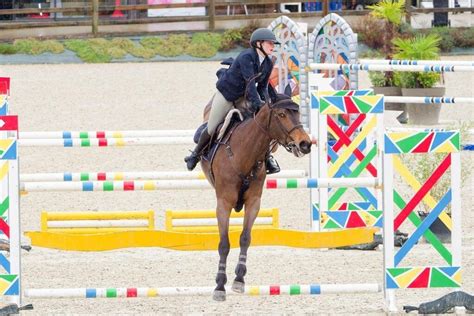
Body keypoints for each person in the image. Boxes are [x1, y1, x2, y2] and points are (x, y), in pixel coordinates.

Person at [184, 28, 281, 174]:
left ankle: (267, 157)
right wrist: (257, 104)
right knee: (212, 127)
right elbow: (250, 84)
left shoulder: (267, 63)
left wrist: (267, 104)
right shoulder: (246, 57)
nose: (272, 46)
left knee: (260, 127)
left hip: (244, 97)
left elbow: (262, 87)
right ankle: (195, 155)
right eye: (269, 43)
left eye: (273, 43)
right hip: (227, 95)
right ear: (258, 44)